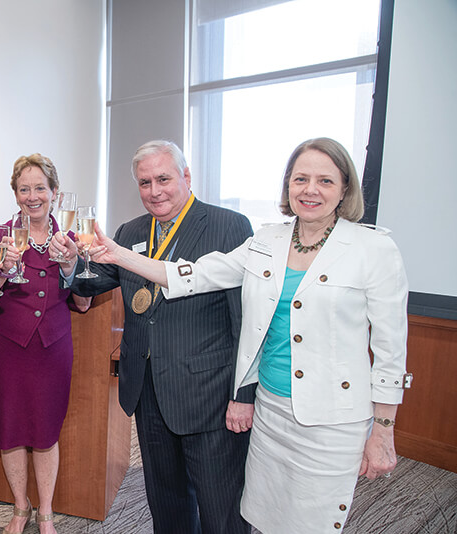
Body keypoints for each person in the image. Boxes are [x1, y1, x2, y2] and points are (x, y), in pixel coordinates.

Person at [87, 138, 411, 533]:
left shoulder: (372, 248)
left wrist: (383, 431)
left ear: (345, 188)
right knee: (265, 514)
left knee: (313, 521)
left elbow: (391, 350)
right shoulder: (267, 240)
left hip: (331, 417)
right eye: (300, 179)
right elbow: (195, 275)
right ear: (287, 186)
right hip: (272, 410)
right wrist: (118, 254)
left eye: (325, 181)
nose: (310, 190)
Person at [50, 140, 254, 534]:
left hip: (209, 396)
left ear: (186, 177)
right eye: (145, 182)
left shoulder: (229, 225)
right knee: (166, 502)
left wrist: (242, 396)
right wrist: (70, 263)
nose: (155, 191)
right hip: (148, 393)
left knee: (220, 507)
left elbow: (245, 319)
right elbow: (93, 284)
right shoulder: (131, 231)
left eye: (163, 179)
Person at [0, 154, 91, 534]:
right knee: (8, 430)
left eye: (40, 188)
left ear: (54, 193)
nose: (32, 196)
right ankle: (20, 507)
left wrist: (73, 265)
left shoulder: (73, 238)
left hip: (52, 348)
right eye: (24, 189)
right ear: (15, 194)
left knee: (45, 432)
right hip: (4, 347)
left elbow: (84, 302)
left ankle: (46, 512)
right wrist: (3, 269)